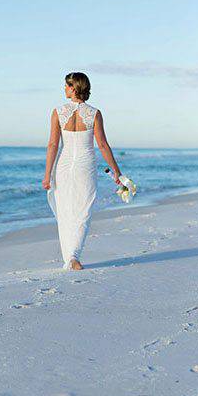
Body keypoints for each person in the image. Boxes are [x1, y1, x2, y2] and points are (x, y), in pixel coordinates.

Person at [42, 72, 123, 270]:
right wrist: (116, 172)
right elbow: (102, 145)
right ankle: (73, 256)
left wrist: (46, 175)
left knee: (65, 210)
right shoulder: (94, 113)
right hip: (84, 165)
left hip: (63, 165)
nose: (64, 89)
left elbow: (53, 144)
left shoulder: (58, 112)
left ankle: (70, 257)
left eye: (66, 86)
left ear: (74, 87)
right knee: (83, 209)